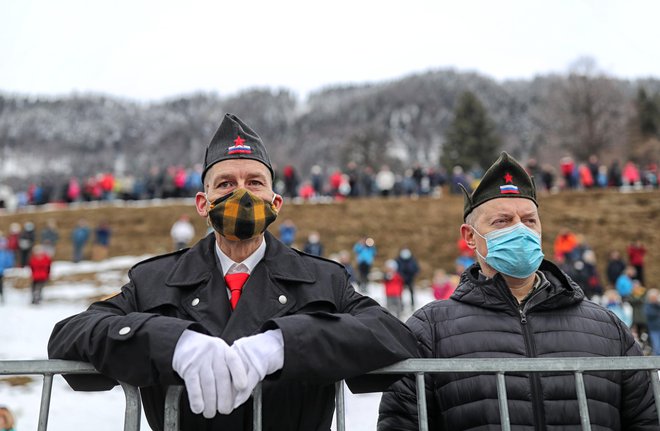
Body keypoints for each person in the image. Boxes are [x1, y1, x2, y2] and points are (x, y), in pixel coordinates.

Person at [48, 113, 418, 431]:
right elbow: (71, 335)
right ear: (202, 203)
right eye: (225, 184)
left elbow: (391, 334)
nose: (241, 193)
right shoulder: (154, 281)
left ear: (275, 202)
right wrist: (171, 342)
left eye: (254, 182)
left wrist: (285, 343)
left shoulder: (323, 279)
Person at [378, 152, 657, 429]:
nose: (520, 230)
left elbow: (646, 419)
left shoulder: (606, 328)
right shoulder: (431, 331)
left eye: (529, 220)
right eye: (502, 221)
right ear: (470, 237)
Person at [0, 235, 15, 304]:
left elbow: (9, 262)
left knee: (0, 285)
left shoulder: (6, 252)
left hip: (1, 271)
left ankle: (2, 297)